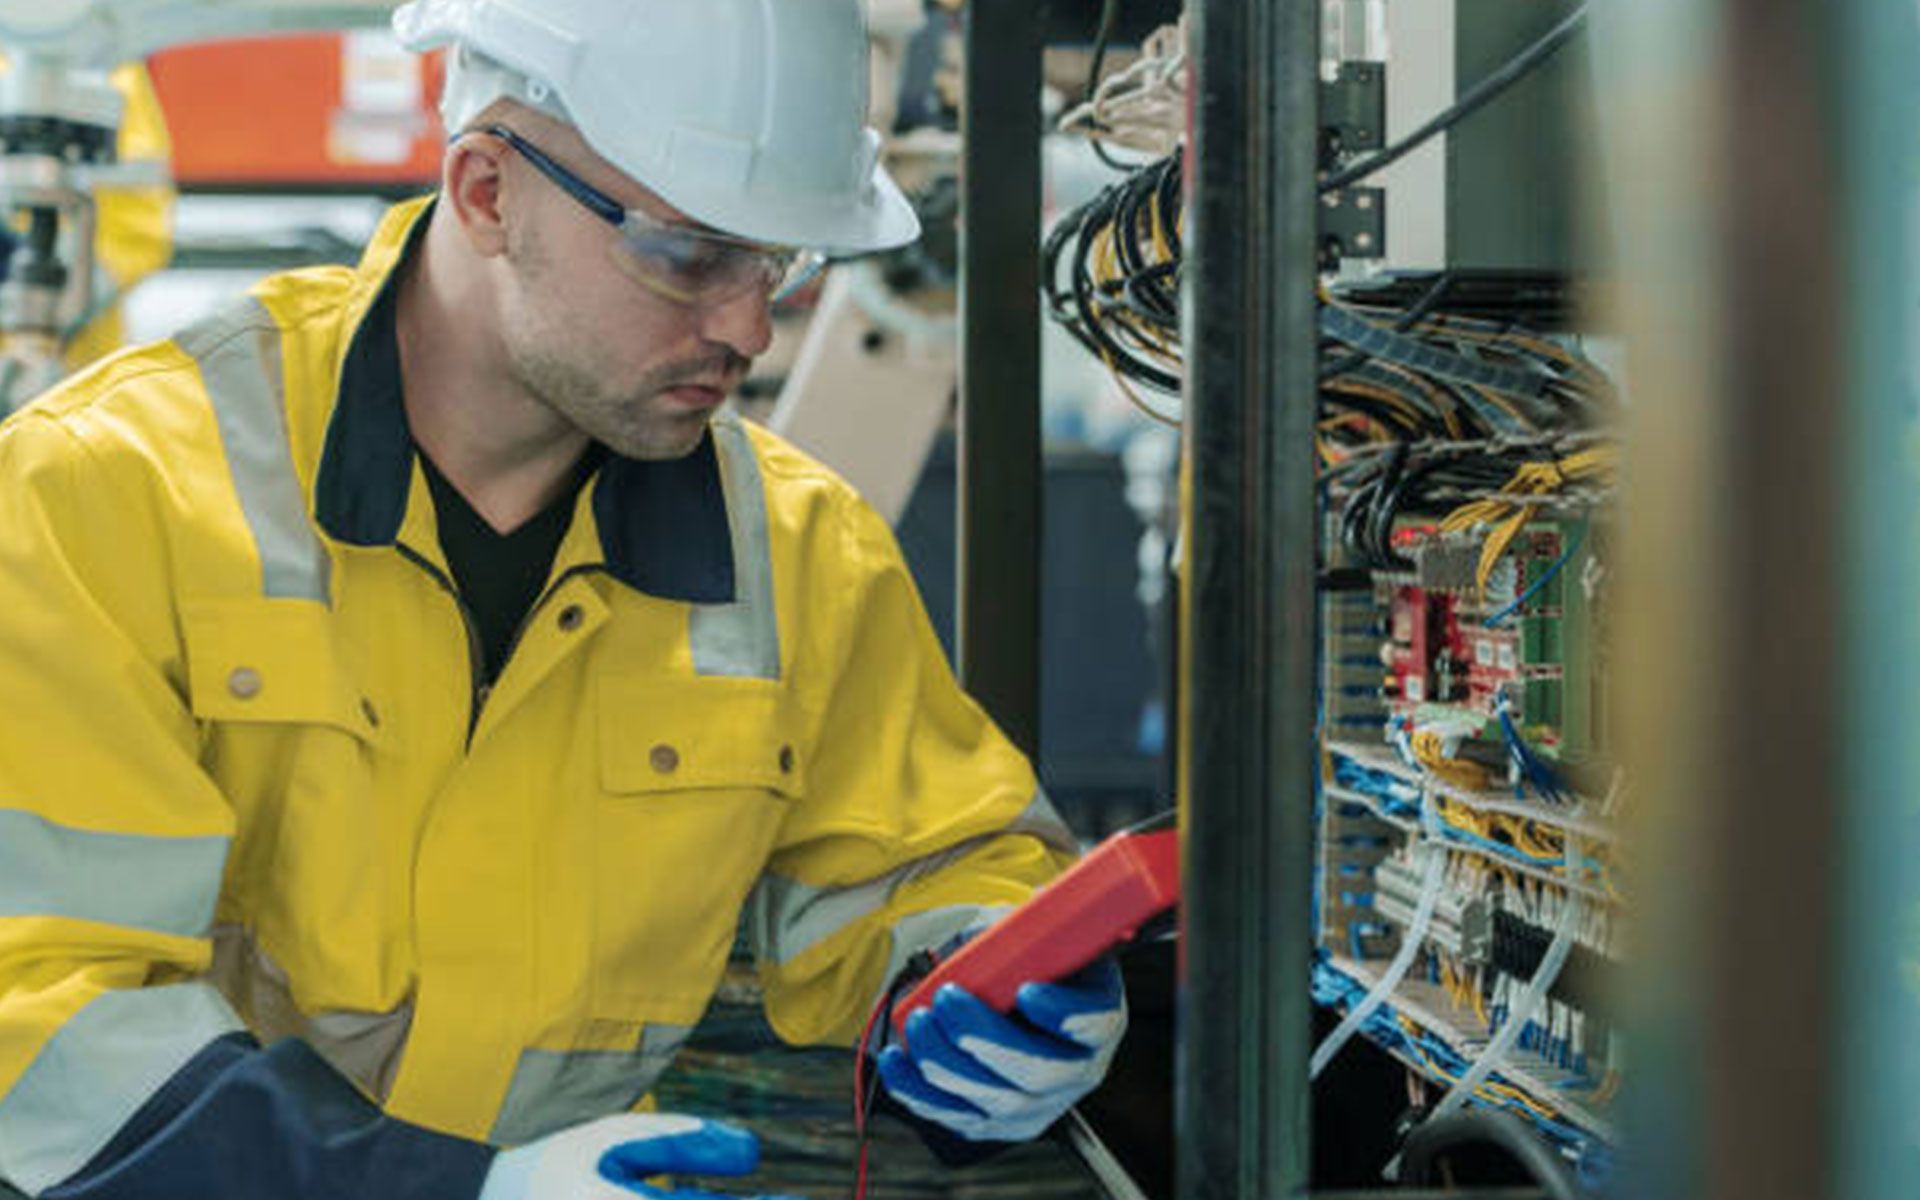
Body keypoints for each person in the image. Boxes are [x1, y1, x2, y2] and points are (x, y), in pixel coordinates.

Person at [0, 1, 1125, 1197]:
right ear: (486, 189)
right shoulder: (103, 495)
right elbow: (39, 1013)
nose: (747, 322)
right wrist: (455, 1187)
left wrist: (992, 974)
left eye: (780, 261)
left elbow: (920, 863)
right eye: (691, 253)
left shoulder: (798, 555)